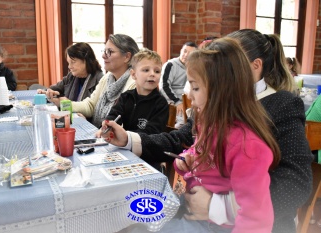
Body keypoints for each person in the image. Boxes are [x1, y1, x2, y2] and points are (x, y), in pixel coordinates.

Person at [102, 29, 313, 233]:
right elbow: (181, 139)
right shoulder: (214, 105)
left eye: (225, 64)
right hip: (198, 215)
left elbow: (295, 184)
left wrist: (217, 205)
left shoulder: (281, 104)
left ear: (253, 66)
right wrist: (129, 138)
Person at [50, 34, 139, 128]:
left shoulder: (135, 85)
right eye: (104, 51)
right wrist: (62, 103)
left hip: (109, 139)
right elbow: (90, 105)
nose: (103, 56)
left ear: (127, 57)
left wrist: (90, 127)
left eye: (110, 52)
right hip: (100, 135)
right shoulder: (108, 77)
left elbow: (124, 127)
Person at [96, 48, 168, 136]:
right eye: (146, 70)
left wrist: (126, 137)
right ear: (133, 74)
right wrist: (106, 126)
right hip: (125, 145)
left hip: (145, 147)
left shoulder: (161, 103)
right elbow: (113, 116)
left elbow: (152, 133)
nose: (152, 74)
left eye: (157, 71)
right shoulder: (126, 97)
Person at [37, 42, 103, 102]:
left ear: (86, 61)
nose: (69, 66)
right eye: (68, 63)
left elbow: (95, 110)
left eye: (73, 62)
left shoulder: (100, 80)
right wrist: (47, 92)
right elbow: (56, 88)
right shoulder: (71, 76)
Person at [159, 41, 197, 116]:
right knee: (182, 122)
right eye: (184, 51)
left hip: (190, 102)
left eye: (190, 53)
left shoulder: (195, 68)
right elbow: (163, 86)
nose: (186, 55)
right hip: (173, 102)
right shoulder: (170, 65)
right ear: (181, 51)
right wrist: (177, 102)